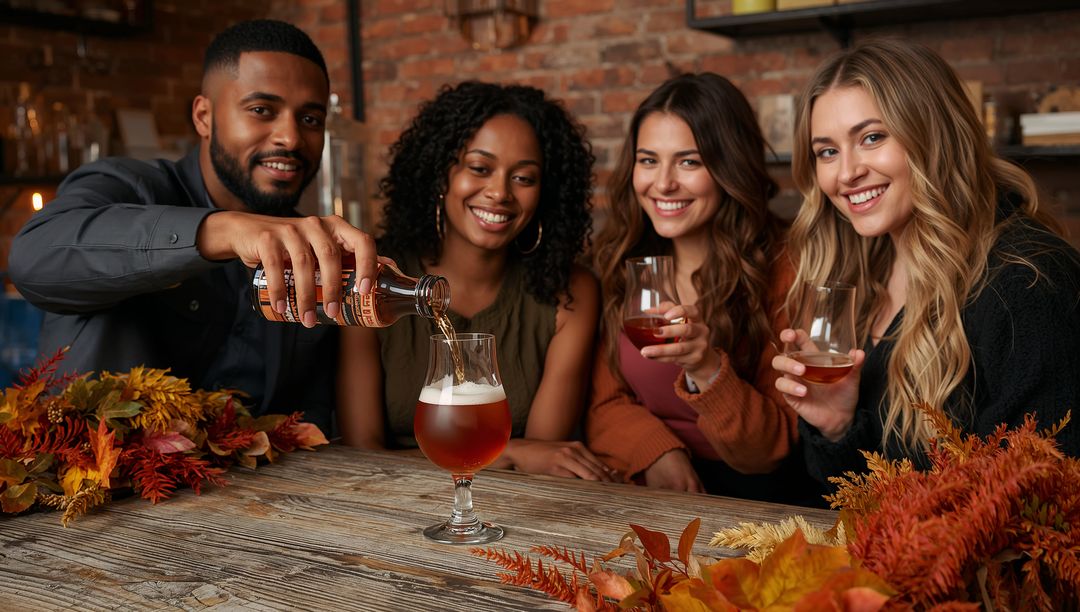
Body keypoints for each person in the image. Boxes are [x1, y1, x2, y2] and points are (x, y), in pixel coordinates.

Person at [8, 20, 380, 434]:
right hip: (100, 490)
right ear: (204, 117)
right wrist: (225, 230)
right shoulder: (127, 187)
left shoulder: (312, 250)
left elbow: (315, 420)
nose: (290, 138)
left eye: (310, 119)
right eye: (262, 111)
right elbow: (32, 257)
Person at [772, 39, 1080, 488]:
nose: (846, 173)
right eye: (827, 151)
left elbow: (1043, 503)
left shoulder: (1028, 281)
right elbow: (857, 504)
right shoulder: (861, 271)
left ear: (933, 134)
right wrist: (837, 428)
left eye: (872, 137)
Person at [337, 82, 612, 480]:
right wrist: (511, 454)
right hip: (384, 502)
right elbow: (361, 453)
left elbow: (545, 464)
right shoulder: (374, 277)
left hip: (514, 510)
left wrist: (522, 457)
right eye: (480, 168)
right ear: (439, 173)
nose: (500, 193)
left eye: (524, 178)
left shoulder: (571, 293)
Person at [586, 73, 811, 502]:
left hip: (758, 503)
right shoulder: (624, 258)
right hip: (652, 488)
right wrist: (658, 452)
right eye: (648, 160)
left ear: (730, 166)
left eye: (689, 162)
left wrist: (705, 366)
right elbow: (602, 405)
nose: (664, 183)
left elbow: (773, 449)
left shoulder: (786, 266)